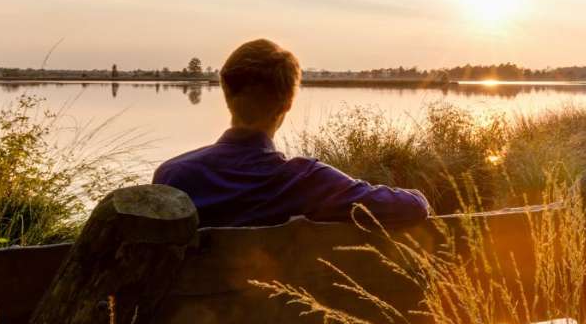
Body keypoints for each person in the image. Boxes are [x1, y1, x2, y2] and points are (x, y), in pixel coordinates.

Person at [151, 40, 433, 229]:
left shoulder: (173, 176)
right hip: (285, 304)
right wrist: (419, 195)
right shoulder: (306, 180)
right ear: (287, 104)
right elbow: (414, 207)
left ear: (225, 91)